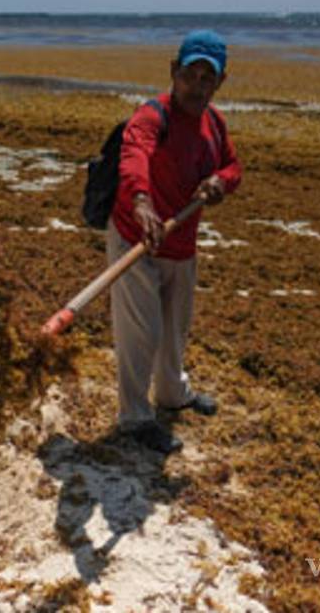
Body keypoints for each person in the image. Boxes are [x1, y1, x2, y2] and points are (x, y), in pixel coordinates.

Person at [108, 30, 242, 454]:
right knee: (140, 331)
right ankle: (134, 418)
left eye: (207, 79)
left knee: (174, 330)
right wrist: (142, 202)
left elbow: (233, 166)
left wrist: (221, 182)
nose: (197, 86)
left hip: (182, 243)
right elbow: (134, 157)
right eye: (190, 75)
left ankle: (172, 394)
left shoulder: (214, 123)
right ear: (173, 71)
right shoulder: (152, 115)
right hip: (138, 237)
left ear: (220, 83)